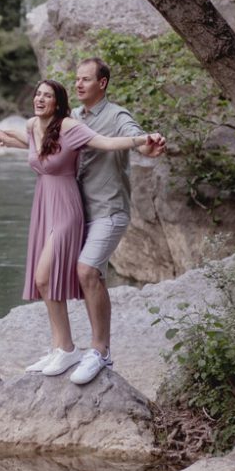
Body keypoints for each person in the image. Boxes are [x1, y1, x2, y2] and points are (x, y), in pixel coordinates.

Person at [0, 79, 163, 376]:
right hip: (44, 207)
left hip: (66, 208)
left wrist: (141, 140)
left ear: (58, 103)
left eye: (47, 95)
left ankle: (70, 350)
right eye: (37, 94)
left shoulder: (70, 127)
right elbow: (34, 145)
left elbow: (106, 143)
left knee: (44, 276)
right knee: (43, 281)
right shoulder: (33, 125)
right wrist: (7, 138)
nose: (40, 99)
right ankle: (61, 348)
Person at [70, 58, 167, 385]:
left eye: (86, 79)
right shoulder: (73, 116)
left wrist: (149, 146)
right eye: (77, 79)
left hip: (109, 210)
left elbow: (137, 138)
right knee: (90, 276)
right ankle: (79, 348)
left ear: (103, 83)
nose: (79, 84)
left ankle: (99, 350)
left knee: (87, 271)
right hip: (78, 212)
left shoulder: (117, 115)